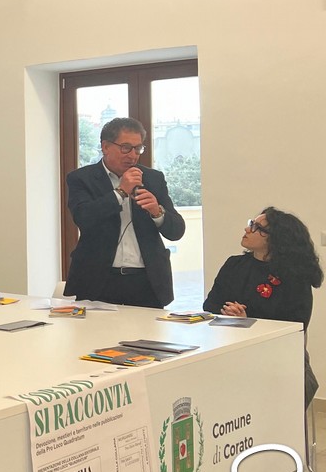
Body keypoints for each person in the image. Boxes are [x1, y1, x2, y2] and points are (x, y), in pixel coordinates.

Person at [65, 117, 186, 307]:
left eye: (138, 148)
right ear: (105, 147)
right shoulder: (82, 178)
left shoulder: (153, 178)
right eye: (126, 148)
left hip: (146, 281)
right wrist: (121, 192)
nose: (133, 155)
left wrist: (157, 212)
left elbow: (176, 231)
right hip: (98, 280)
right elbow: (84, 217)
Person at [204, 209, 323, 324]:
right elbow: (210, 305)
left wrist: (247, 320)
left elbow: (296, 323)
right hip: (229, 333)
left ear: (276, 238)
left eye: (256, 227)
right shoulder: (234, 264)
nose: (247, 229)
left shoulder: (294, 275)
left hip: (272, 338)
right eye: (251, 224)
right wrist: (228, 312)